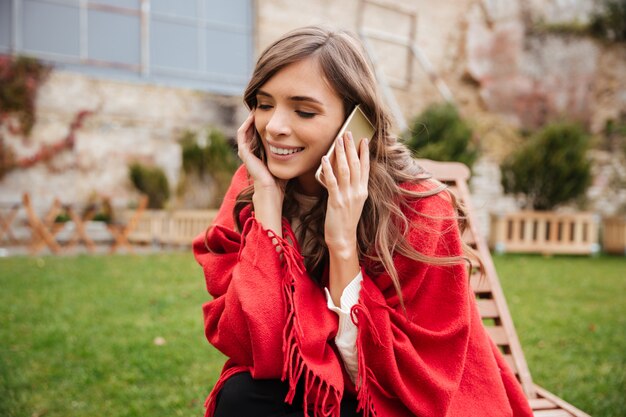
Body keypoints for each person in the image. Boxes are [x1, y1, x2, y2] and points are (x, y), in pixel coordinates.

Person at [193, 25, 534, 417]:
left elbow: (392, 381)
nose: (274, 127)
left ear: (357, 121)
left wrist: (342, 246)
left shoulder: (420, 209)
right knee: (241, 397)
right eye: (264, 104)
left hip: (410, 400)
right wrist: (268, 206)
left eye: (304, 110)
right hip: (319, 385)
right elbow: (260, 346)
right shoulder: (254, 187)